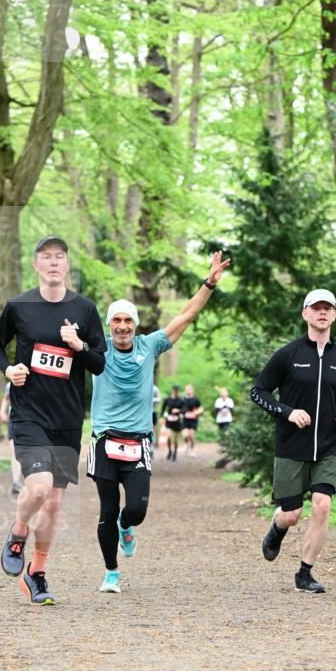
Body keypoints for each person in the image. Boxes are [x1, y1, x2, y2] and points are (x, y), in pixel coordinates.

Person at [88, 252, 230, 593]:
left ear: (136, 325)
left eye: (128, 321)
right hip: (104, 440)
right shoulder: (96, 350)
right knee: (107, 509)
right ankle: (111, 573)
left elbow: (186, 314)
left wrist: (209, 282)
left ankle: (127, 526)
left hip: (138, 442)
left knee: (134, 509)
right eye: (116, 320)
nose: (122, 326)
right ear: (109, 324)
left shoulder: (149, 346)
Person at [0, 236, 106, 605]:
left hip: (67, 419)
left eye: (60, 257)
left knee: (54, 505)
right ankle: (19, 530)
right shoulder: (18, 306)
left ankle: (36, 574)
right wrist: (9, 369)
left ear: (67, 265)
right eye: (46, 257)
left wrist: (78, 345)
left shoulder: (85, 310)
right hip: (29, 414)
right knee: (37, 489)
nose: (53, 262)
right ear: (36, 265)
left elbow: (99, 363)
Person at [251, 289, 336, 593]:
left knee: (322, 505)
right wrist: (287, 412)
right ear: (305, 314)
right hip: (291, 446)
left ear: (334, 315)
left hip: (328, 445)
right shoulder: (289, 354)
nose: (322, 313)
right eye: (316, 308)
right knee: (291, 514)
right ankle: (277, 528)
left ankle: (305, 573)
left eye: (328, 308)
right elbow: (258, 391)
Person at [0, 381, 23, 495]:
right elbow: (6, 398)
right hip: (13, 419)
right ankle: (16, 482)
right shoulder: (11, 384)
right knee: (15, 452)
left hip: (32, 420)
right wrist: (2, 412)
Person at [161, 385, 184, 461]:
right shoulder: (168, 399)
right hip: (169, 421)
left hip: (177, 422)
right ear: (172, 390)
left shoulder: (181, 400)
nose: (175, 391)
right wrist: (163, 416)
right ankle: (170, 451)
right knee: (168, 437)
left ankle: (175, 453)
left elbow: (184, 409)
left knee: (175, 439)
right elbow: (163, 409)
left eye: (177, 390)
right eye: (174, 390)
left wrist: (179, 411)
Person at [181, 384, 203, 456]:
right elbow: (180, 408)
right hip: (185, 420)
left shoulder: (196, 399)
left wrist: (197, 412)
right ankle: (187, 444)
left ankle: (193, 449)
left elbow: (201, 408)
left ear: (192, 390)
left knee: (191, 435)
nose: (188, 391)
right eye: (187, 389)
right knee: (185, 435)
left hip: (193, 420)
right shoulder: (183, 399)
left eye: (189, 389)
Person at [152, 382, 162, 448]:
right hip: (142, 413)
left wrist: (152, 400)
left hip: (152, 411)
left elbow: (159, 399)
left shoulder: (155, 388)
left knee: (154, 429)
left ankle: (155, 443)